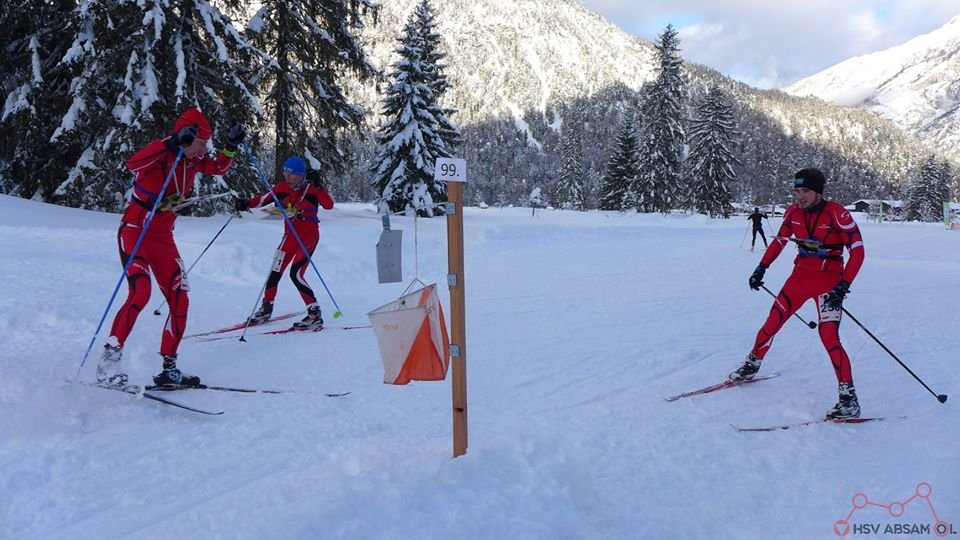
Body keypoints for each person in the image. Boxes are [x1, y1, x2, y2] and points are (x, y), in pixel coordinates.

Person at [95, 107, 246, 388]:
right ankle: (108, 362)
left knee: (180, 298)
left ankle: (169, 368)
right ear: (186, 137)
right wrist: (172, 143)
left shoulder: (193, 161)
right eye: (200, 143)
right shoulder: (163, 152)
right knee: (141, 292)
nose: (203, 150)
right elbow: (132, 164)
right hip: (136, 231)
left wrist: (231, 146)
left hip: (163, 238)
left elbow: (218, 168)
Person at [730, 168, 866, 419]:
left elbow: (858, 251)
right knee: (772, 322)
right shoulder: (793, 212)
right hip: (799, 279)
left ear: (818, 192)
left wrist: (843, 286)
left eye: (805, 191)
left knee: (829, 337)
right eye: (797, 191)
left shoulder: (837, 213)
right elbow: (779, 241)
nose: (800, 196)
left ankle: (849, 399)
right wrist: (761, 268)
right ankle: (752, 363)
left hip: (829, 285)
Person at [235, 157, 334, 330]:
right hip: (289, 237)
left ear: (301, 175)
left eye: (291, 175)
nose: (287, 178)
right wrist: (246, 203)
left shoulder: (311, 189)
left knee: (296, 274)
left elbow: (329, 205)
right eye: (285, 173)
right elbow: (263, 200)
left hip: (308, 237)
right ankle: (266, 308)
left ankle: (314, 314)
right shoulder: (282, 188)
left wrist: (319, 186)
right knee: (275, 270)